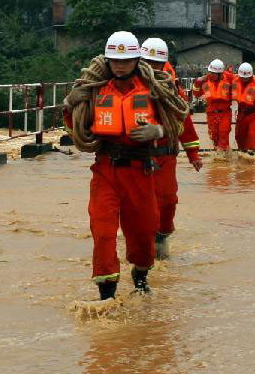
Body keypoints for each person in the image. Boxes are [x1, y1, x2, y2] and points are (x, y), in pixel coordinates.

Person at [63, 31, 188, 300]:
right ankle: (106, 295)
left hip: (141, 170)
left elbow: (178, 121)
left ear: (136, 60)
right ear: (107, 61)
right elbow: (73, 125)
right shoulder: (94, 89)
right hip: (106, 169)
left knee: (144, 233)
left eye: (126, 60)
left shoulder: (154, 89)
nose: (120, 66)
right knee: (103, 231)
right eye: (115, 61)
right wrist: (70, 104)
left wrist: (157, 131)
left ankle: (140, 275)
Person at [139, 38, 203, 259]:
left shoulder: (172, 89)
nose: (152, 67)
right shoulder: (130, 84)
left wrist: (193, 154)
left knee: (167, 202)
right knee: (138, 205)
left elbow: (184, 121)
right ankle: (142, 251)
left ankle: (162, 237)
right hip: (136, 155)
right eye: (147, 62)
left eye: (156, 63)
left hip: (165, 156)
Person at [192, 59, 235, 152]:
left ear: (220, 74)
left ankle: (223, 161)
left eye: (214, 73)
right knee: (214, 137)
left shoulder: (229, 78)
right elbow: (196, 94)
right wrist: (197, 82)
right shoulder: (204, 81)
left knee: (223, 134)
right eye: (210, 72)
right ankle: (219, 157)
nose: (211, 75)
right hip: (211, 113)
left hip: (225, 113)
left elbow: (240, 83)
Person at [231, 62, 255, 154]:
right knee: (239, 136)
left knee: (252, 135)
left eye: (246, 78)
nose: (244, 79)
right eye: (242, 77)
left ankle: (251, 156)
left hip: (254, 114)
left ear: (251, 76)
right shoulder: (235, 82)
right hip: (241, 114)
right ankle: (242, 154)